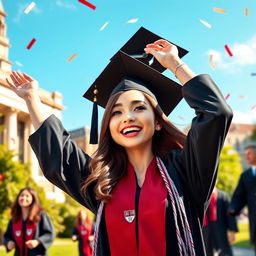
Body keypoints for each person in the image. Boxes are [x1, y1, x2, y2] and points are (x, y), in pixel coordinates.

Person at [6, 27, 233, 255]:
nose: (128, 117)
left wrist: (175, 64)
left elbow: (215, 114)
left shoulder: (185, 170)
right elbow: (60, 157)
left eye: (139, 108)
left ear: (158, 122)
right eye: (116, 112)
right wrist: (31, 99)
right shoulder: (103, 182)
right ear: (110, 128)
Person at [4, 187, 55, 256]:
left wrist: (37, 241)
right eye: (21, 195)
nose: (24, 198)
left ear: (33, 199)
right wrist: (9, 242)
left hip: (36, 254)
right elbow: (7, 236)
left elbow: (50, 233)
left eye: (27, 196)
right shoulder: (15, 218)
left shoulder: (40, 215)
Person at [229, 145, 256, 255]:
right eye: (245, 154)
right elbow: (239, 196)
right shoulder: (245, 175)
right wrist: (233, 208)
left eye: (249, 153)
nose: (247, 156)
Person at [202, 187, 238, 256]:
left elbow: (230, 215)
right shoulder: (200, 195)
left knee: (224, 253)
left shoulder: (222, 196)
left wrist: (232, 232)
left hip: (220, 232)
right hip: (205, 233)